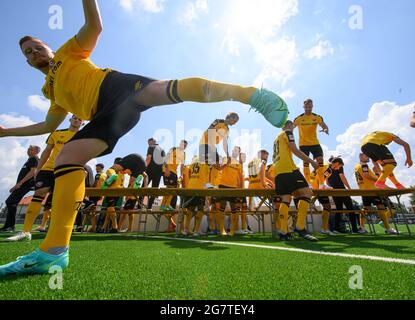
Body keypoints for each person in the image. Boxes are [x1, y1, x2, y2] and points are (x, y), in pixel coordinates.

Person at [0, 0, 288, 276]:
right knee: (67, 159)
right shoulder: (48, 91)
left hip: (115, 87)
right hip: (104, 116)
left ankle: (250, 94)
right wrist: (6, 132)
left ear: (48, 48)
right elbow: (50, 122)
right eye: (27, 52)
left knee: (169, 90)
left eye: (37, 47)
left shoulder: (67, 52)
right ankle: (53, 252)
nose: (33, 53)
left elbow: (94, 26)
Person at [4, 116, 83, 241]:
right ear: (70, 120)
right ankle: (26, 232)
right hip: (49, 169)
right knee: (39, 194)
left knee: (60, 200)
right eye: (74, 118)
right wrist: (39, 169)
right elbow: (47, 151)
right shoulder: (57, 133)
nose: (76, 120)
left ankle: (55, 231)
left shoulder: (83, 136)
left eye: (79, 119)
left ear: (82, 123)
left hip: (67, 170)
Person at [272, 121, 319, 241]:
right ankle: (300, 227)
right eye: (293, 126)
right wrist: (312, 161)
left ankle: (284, 232)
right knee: (307, 193)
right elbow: (295, 150)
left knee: (286, 199)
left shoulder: (276, 138)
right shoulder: (288, 132)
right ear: (290, 125)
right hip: (289, 169)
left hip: (278, 172)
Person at [0, 145, 41, 232]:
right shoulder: (29, 160)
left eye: (30, 149)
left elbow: (33, 172)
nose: (28, 151)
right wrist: (15, 186)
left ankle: (10, 226)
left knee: (10, 202)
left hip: (25, 185)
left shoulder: (34, 159)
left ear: (36, 151)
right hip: (21, 185)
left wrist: (20, 183)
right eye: (28, 149)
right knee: (11, 202)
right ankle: (9, 226)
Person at [355, 153, 398, 235]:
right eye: (366, 156)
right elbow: (366, 175)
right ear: (361, 157)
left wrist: (376, 174)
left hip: (364, 190)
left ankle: (361, 227)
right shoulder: (364, 165)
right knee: (381, 207)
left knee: (366, 209)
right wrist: (378, 179)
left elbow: (366, 176)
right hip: (371, 190)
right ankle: (387, 228)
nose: (368, 157)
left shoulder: (357, 166)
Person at [293, 99, 329, 185]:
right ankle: (308, 183)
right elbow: (291, 127)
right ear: (303, 107)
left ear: (312, 107)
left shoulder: (317, 117)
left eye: (309, 107)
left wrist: (325, 129)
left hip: (314, 143)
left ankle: (321, 184)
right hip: (303, 144)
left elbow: (324, 125)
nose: (308, 108)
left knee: (320, 160)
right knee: (305, 162)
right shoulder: (299, 118)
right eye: (306, 107)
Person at [325, 157, 360, 234]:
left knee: (339, 210)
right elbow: (342, 176)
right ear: (337, 163)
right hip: (342, 190)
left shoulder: (328, 169)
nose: (340, 167)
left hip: (334, 191)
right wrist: (349, 187)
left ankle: (336, 229)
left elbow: (326, 180)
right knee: (350, 209)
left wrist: (331, 187)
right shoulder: (340, 167)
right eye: (340, 165)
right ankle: (354, 229)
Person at [160, 140, 187, 232]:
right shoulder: (173, 149)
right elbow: (166, 158)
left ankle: (172, 225)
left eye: (185, 146)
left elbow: (182, 166)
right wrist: (166, 168)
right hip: (168, 171)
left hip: (174, 173)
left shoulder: (183, 154)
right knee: (170, 189)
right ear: (180, 144)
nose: (184, 147)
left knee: (170, 191)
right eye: (183, 144)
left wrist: (181, 176)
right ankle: (166, 205)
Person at [145, 138, 165, 210]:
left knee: (144, 187)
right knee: (154, 188)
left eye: (148, 143)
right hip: (158, 172)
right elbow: (163, 162)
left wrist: (144, 168)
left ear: (151, 142)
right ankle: (149, 207)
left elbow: (149, 158)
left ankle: (139, 206)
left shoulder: (151, 147)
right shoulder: (162, 149)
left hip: (149, 170)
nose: (148, 144)